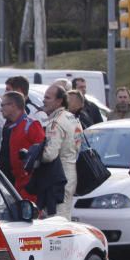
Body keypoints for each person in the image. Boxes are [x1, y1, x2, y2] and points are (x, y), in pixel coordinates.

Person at [41, 84, 82, 219]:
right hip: (71, 172)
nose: (43, 100)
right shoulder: (72, 117)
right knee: (65, 216)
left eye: (48, 98)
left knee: (57, 221)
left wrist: (34, 156)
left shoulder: (56, 122)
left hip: (59, 177)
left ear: (59, 101)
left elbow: (49, 155)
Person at [0, 90, 45, 202]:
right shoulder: (11, 127)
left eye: (3, 105)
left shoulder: (31, 125)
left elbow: (43, 153)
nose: (0, 109)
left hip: (29, 187)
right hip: (16, 184)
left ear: (13, 106)